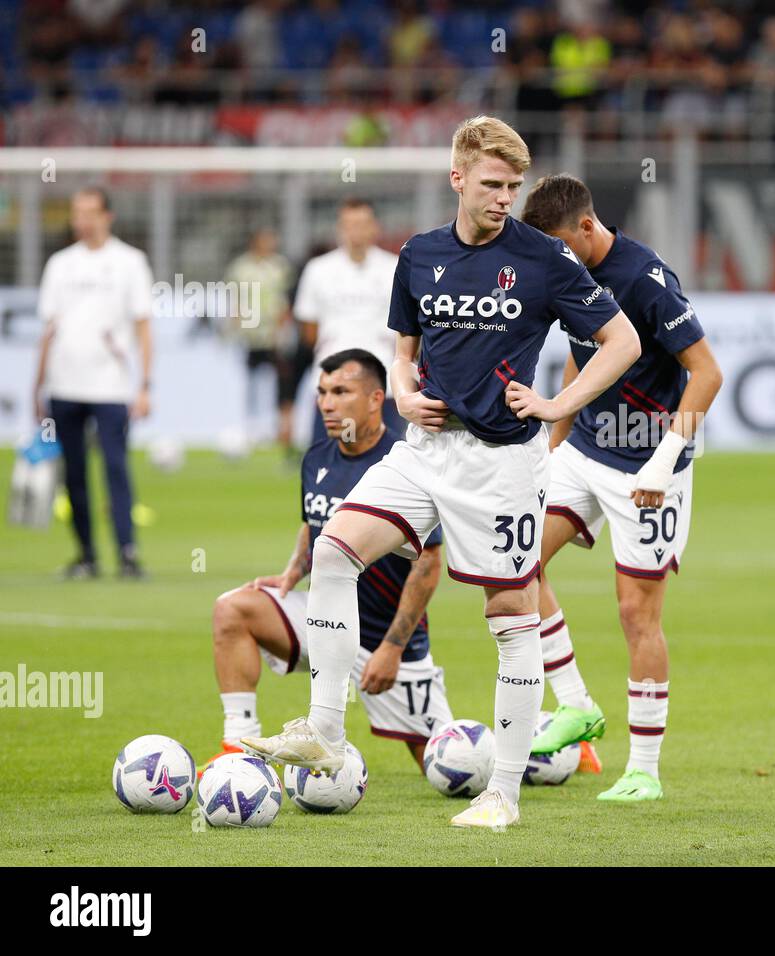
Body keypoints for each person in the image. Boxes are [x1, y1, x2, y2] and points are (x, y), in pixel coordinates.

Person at [242, 116, 642, 830]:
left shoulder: (545, 259)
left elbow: (623, 339)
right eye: (492, 185)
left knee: (511, 619)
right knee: (334, 551)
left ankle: (505, 794)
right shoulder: (420, 256)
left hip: (501, 465)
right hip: (423, 453)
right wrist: (398, 389)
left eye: (514, 187)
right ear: (457, 179)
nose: (504, 198)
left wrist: (559, 403)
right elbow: (403, 348)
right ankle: (326, 734)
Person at [520, 174, 723, 802]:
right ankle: (576, 705)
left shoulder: (644, 277)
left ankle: (643, 770)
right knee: (515, 564)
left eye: (556, 243)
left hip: (648, 467)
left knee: (637, 615)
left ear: (586, 227)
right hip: (584, 452)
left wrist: (664, 462)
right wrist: (551, 445)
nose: (550, 257)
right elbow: (584, 355)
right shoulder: (567, 271)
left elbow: (708, 373)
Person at [208, 349, 449, 771]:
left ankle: (540, 755)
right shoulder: (317, 456)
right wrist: (293, 570)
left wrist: (392, 648)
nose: (327, 403)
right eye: (321, 392)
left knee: (451, 768)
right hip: (325, 627)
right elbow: (314, 524)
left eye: (341, 391)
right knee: (233, 609)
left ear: (377, 399)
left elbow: (428, 565)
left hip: (385, 642)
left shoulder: (405, 465)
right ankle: (235, 751)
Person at [32, 187, 152, 579]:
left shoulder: (129, 262)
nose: (82, 220)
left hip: (110, 386)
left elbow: (142, 326)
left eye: (89, 212)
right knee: (74, 474)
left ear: (107, 216)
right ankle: (86, 555)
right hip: (64, 385)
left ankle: (127, 552)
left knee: (116, 468)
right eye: (76, 212)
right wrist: (37, 385)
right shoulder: (60, 264)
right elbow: (48, 329)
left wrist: (145, 384)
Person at [293, 198, 406, 443]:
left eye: (362, 224)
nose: (356, 231)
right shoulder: (318, 269)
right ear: (339, 228)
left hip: (382, 382)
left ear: (375, 227)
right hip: (331, 383)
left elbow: (407, 329)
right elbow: (309, 329)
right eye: (349, 224)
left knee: (385, 466)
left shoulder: (396, 268)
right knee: (326, 464)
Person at [224, 227, 293, 449]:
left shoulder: (280, 267)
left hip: (272, 335)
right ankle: (249, 426)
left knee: (276, 382)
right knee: (249, 382)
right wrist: (234, 325)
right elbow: (234, 299)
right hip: (249, 335)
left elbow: (285, 300)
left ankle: (273, 427)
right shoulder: (241, 268)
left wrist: (282, 329)